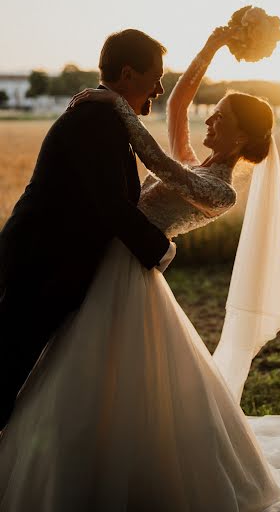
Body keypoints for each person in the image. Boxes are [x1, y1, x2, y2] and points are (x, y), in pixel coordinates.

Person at [1, 26, 280, 512]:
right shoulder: (193, 159)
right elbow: (179, 99)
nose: (210, 118)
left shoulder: (219, 189)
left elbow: (162, 168)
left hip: (130, 269)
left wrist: (114, 104)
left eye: (222, 117)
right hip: (113, 261)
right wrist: (215, 44)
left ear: (244, 135)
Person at [0, 29, 177, 430]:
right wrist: (160, 250)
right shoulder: (95, 120)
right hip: (39, 265)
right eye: (156, 76)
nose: (160, 88)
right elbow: (111, 203)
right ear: (129, 73)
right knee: (7, 368)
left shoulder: (107, 114)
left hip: (48, 263)